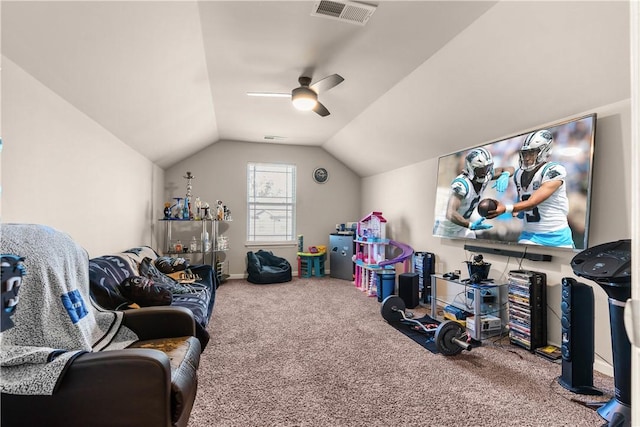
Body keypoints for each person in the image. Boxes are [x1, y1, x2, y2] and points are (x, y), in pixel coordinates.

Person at [486, 129, 574, 248]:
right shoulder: (519, 174)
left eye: (531, 153)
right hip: (530, 236)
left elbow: (533, 202)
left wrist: (506, 208)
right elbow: (510, 170)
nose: (527, 158)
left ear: (545, 151)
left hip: (557, 236)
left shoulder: (554, 170)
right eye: (525, 153)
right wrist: (518, 210)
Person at [433, 147, 514, 238]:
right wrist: (470, 225)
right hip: (444, 230)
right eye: (482, 169)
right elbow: (450, 213)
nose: (486, 172)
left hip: (461, 228)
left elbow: (510, 168)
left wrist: (506, 174)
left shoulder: (483, 176)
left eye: (487, 168)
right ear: (472, 169)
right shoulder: (462, 184)